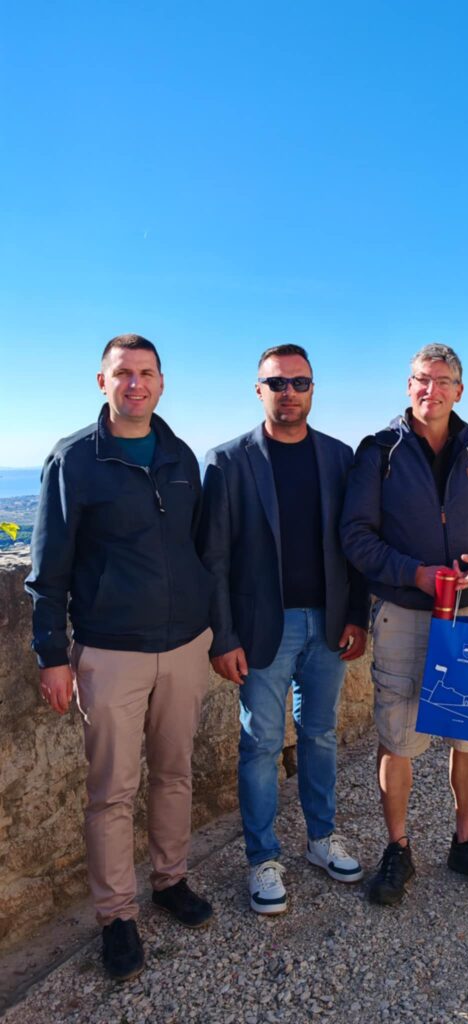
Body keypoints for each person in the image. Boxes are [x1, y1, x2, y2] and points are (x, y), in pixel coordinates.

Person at [25, 334, 214, 982]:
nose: (136, 384)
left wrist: (213, 630)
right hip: (109, 653)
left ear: (161, 382)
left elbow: (197, 549)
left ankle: (170, 880)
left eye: (146, 373)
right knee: (111, 792)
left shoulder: (180, 456)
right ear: (102, 382)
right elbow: (47, 567)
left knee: (176, 773)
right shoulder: (74, 459)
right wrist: (52, 655)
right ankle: (115, 917)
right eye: (123, 373)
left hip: (185, 646)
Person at [341, 343, 468, 906]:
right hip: (403, 614)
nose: (431, 390)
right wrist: (412, 574)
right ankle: (398, 848)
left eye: (442, 382)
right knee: (398, 737)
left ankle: (464, 843)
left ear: (458, 391)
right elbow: (355, 535)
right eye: (422, 379)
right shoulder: (380, 451)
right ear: (408, 385)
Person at [197, 344, 369, 916]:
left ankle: (321, 838)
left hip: (328, 622)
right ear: (259, 390)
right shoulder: (227, 461)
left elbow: (355, 545)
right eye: (277, 383)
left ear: (313, 389)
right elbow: (214, 559)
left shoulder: (339, 457)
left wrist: (356, 614)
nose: (288, 392)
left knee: (320, 735)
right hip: (261, 628)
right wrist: (223, 636)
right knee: (261, 744)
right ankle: (262, 858)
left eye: (299, 382)